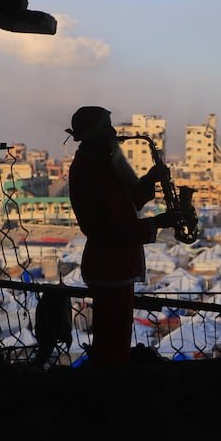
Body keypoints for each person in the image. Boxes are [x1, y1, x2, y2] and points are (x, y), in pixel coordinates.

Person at [65, 106, 177, 365]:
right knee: (112, 346)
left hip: (116, 266)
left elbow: (129, 203)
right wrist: (157, 222)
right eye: (108, 128)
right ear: (95, 135)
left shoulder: (102, 163)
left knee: (117, 341)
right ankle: (110, 392)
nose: (115, 132)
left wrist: (150, 180)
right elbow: (106, 230)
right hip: (109, 265)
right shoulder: (88, 171)